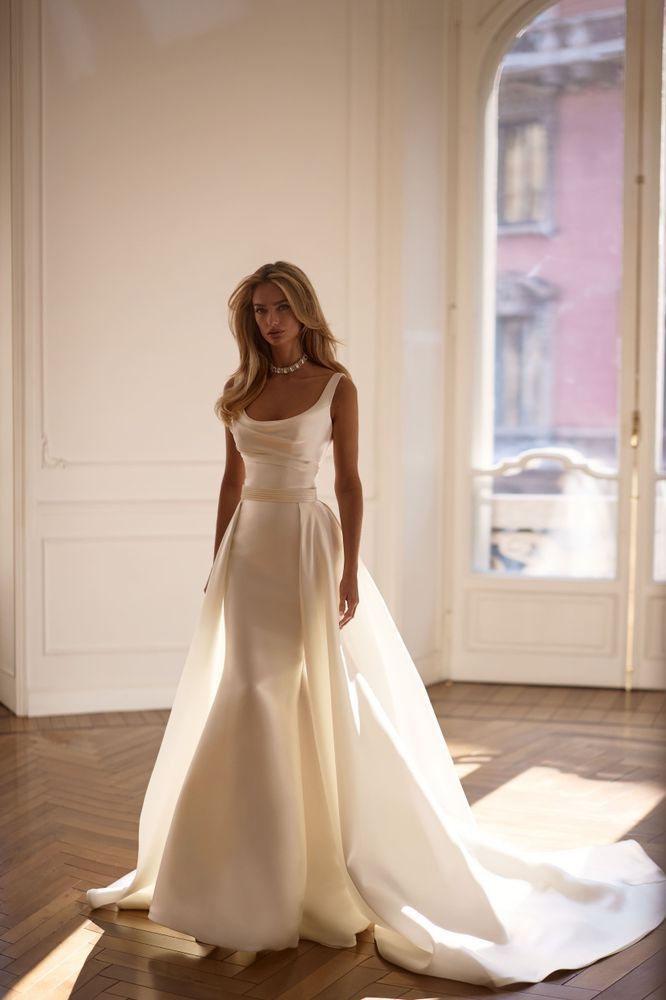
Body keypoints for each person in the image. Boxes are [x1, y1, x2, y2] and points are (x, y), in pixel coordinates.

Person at [86, 261, 666, 989]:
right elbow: (231, 482)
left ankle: (298, 879)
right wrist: (216, 569)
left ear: (304, 311)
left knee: (283, 696)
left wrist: (348, 569)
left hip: (304, 547)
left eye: (282, 308)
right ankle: (227, 883)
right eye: (260, 310)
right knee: (244, 694)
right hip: (249, 553)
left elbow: (350, 482)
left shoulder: (336, 386)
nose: (270, 321)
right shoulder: (240, 390)